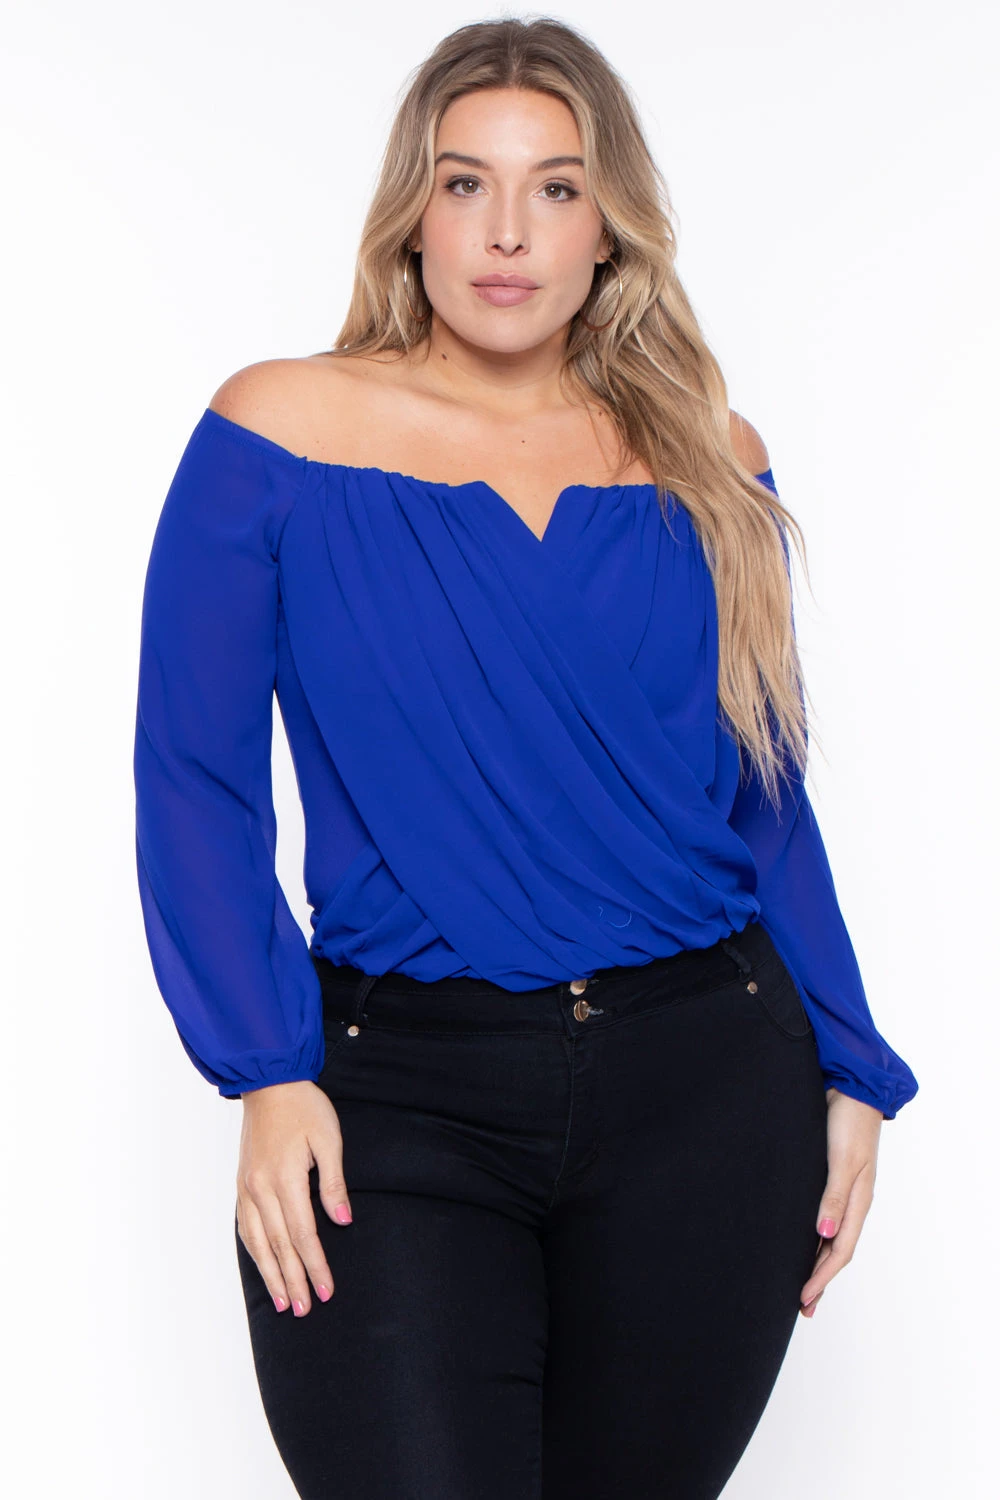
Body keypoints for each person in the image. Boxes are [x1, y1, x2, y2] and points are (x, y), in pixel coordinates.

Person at [132, 16, 919, 1500]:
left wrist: (853, 1063)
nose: (508, 232)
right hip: (397, 1097)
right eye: (465, 184)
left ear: (609, 226)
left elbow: (762, 796)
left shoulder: (711, 457)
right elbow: (195, 778)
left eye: (556, 188)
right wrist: (267, 1070)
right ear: (412, 214)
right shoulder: (280, 433)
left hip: (709, 1088)